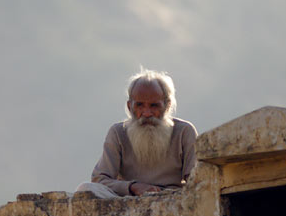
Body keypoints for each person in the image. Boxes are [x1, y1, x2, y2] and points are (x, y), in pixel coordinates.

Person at [77, 68, 197, 198]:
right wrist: (132, 186)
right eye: (140, 105)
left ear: (167, 106)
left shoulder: (184, 132)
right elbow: (99, 179)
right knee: (86, 188)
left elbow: (197, 179)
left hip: (172, 199)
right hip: (128, 201)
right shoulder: (118, 133)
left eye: (154, 106)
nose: (146, 113)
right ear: (130, 106)